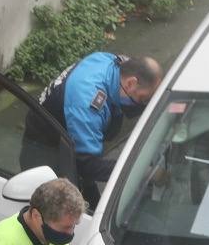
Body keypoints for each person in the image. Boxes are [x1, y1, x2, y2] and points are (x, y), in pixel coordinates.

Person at [20, 52, 162, 205]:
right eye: (142, 99)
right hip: (45, 149)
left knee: (90, 199)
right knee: (61, 210)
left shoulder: (114, 63)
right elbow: (88, 165)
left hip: (67, 134)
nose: (142, 104)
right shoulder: (88, 103)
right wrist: (141, 171)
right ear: (130, 84)